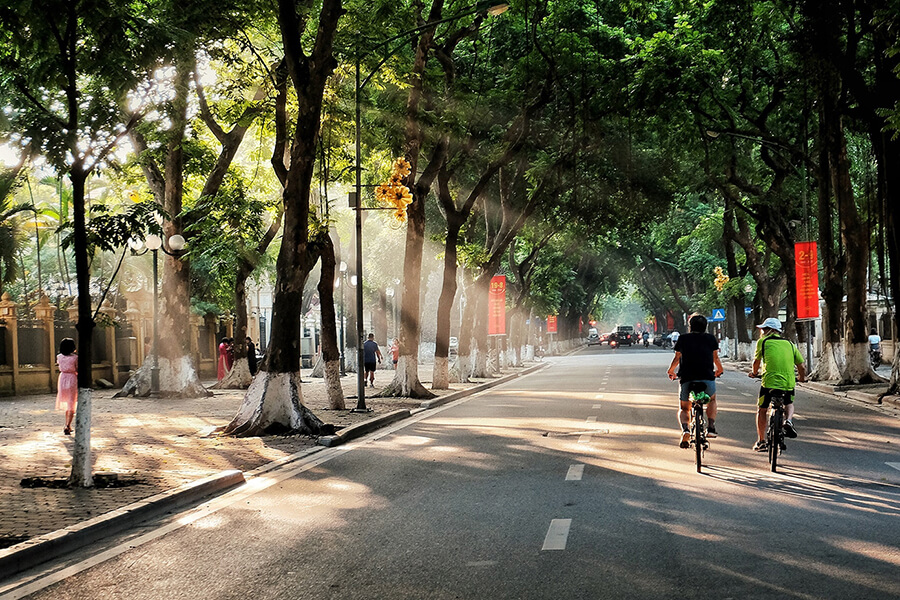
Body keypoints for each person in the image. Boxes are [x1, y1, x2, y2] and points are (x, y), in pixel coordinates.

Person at [749, 317, 806, 452]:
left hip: (769, 383)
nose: (762, 332)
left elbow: (756, 362)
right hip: (788, 382)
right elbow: (802, 366)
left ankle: (761, 441)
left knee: (762, 409)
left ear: (770, 330)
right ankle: (789, 420)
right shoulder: (790, 344)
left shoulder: (763, 342)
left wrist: (754, 373)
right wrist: (801, 378)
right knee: (789, 403)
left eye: (764, 329)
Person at [667, 314, 724, 448]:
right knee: (712, 400)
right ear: (705, 326)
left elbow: (677, 358)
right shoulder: (710, 338)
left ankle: (686, 429)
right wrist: (719, 370)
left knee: (684, 408)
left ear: (690, 326)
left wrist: (671, 371)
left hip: (687, 378)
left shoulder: (683, 338)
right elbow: (715, 358)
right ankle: (711, 426)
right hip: (707, 377)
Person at [56, 338, 78, 436]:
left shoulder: (59, 357)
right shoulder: (75, 358)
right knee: (71, 402)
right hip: (72, 378)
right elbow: (77, 369)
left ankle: (67, 424)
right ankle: (67, 425)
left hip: (62, 378)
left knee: (66, 402)